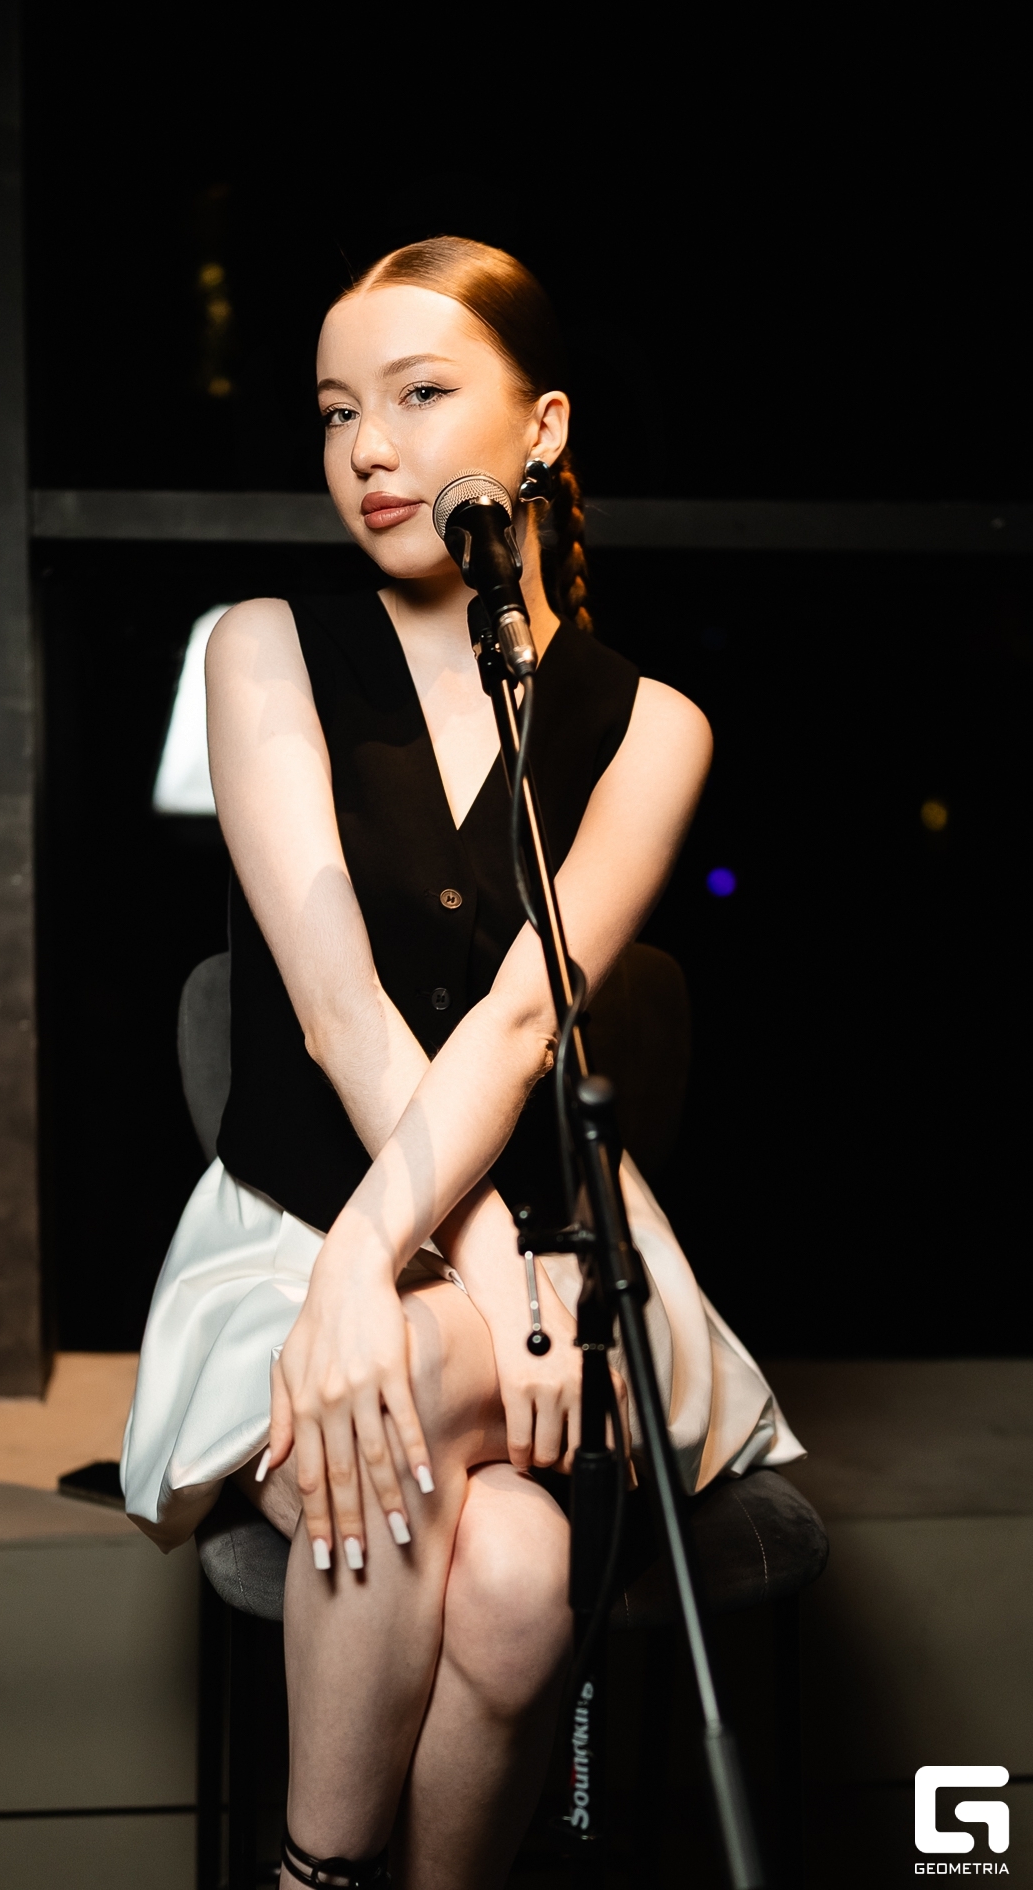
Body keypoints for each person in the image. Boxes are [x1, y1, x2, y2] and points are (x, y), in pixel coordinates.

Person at [121, 236, 800, 1890]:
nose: (368, 447)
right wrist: (398, 1263)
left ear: (543, 429)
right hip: (301, 1248)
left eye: (421, 395)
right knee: (504, 1575)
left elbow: (517, 1021)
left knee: (452, 1454)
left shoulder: (652, 726)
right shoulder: (263, 648)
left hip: (571, 1272)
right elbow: (340, 1010)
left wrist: (452, 1276)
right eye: (336, 409)